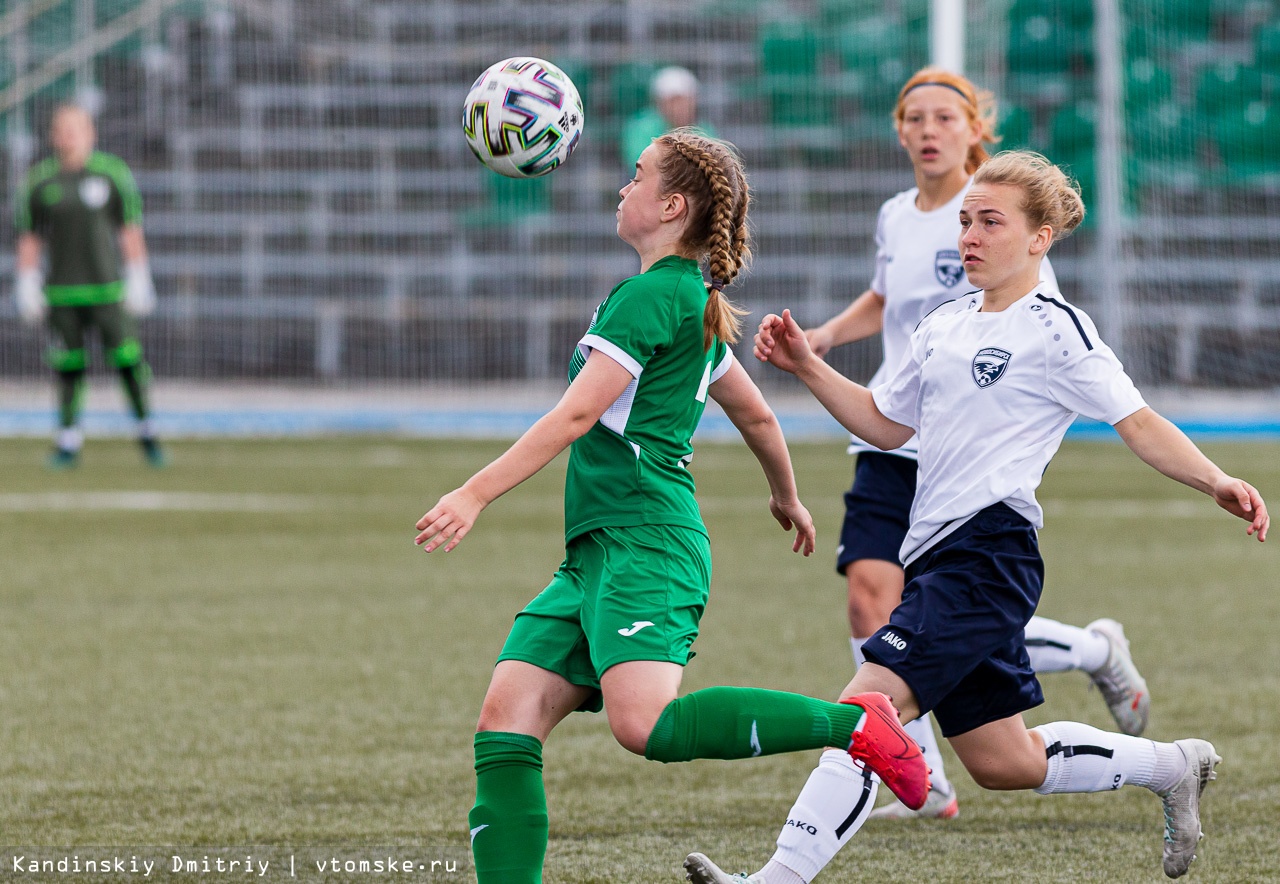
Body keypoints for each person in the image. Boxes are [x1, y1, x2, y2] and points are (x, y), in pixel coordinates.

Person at [684, 150, 1268, 884]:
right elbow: (884, 422)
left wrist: (1215, 479)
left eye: (991, 221)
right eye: (964, 221)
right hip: (933, 555)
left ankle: (775, 880)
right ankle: (1172, 765)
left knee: (866, 704)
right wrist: (807, 365)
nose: (970, 235)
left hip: (990, 554)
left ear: (1040, 237)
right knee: (1003, 762)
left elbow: (1138, 421)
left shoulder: (1057, 329)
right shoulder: (943, 325)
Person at [414, 130, 931, 884]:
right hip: (598, 551)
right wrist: (785, 495)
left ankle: (858, 725)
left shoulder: (651, 297)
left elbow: (573, 416)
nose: (622, 189)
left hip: (646, 542)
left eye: (636, 176)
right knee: (506, 721)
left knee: (645, 725)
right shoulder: (690, 298)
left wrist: (474, 491)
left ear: (671, 206)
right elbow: (755, 416)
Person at [802, 68, 1149, 820]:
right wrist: (822, 340)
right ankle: (919, 771)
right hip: (893, 436)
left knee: (928, 625)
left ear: (972, 129)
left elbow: (1042, 343)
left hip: (966, 464)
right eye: (914, 117)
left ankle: (1091, 653)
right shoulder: (900, 215)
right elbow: (886, 299)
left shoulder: (1010, 224)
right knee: (874, 598)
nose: (929, 130)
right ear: (898, 130)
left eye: (944, 118)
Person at [14, 103, 165, 468]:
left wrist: (138, 275)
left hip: (107, 290)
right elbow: (31, 237)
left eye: (75, 129)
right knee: (68, 368)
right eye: (61, 129)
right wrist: (26, 281)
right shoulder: (40, 181)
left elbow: (129, 228)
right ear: (53, 135)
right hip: (63, 293)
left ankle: (147, 433)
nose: (68, 136)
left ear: (90, 133)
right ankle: (68, 441)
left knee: (129, 362)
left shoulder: (111, 174)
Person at [620, 66, 714, 172]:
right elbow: (640, 164)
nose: (681, 106)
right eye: (674, 101)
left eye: (686, 100)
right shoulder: (641, 129)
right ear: (660, 103)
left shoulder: (705, 130)